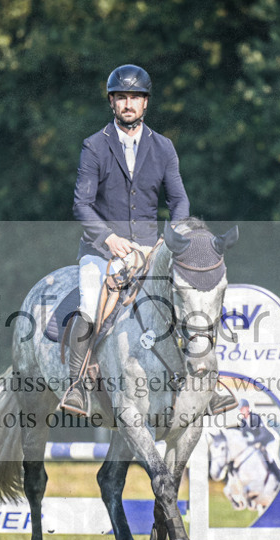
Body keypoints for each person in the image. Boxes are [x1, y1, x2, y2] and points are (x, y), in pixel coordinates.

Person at [62, 64, 191, 415]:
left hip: (150, 250)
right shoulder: (94, 146)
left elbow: (178, 201)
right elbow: (82, 205)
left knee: (189, 303)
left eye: (135, 97)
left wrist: (172, 238)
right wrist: (109, 239)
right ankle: (76, 385)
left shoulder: (163, 147)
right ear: (112, 102)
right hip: (102, 251)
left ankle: (204, 382)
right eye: (121, 97)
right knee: (90, 304)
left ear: (146, 103)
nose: (128, 103)